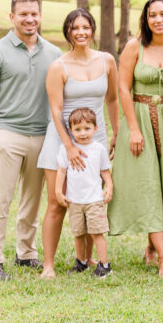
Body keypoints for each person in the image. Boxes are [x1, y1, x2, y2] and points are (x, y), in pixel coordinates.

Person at [0, 0, 62, 280]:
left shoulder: (53, 53)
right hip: (8, 135)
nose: (29, 19)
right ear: (11, 16)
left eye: (34, 14)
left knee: (32, 201)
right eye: (23, 14)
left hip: (42, 137)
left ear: (40, 16)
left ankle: (26, 254)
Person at [108, 0, 163, 278]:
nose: (158, 19)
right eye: (152, 15)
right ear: (145, 18)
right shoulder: (134, 47)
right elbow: (123, 89)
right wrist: (132, 128)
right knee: (147, 184)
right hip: (139, 118)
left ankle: (152, 247)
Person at [37, 8, 119, 279]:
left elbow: (112, 100)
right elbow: (56, 110)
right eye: (75, 28)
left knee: (90, 197)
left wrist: (115, 131)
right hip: (61, 141)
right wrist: (70, 147)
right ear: (68, 33)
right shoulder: (58, 66)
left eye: (86, 27)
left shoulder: (107, 60)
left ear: (92, 30)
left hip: (94, 140)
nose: (81, 32)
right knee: (58, 203)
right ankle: (48, 265)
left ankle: (85, 258)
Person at [54, 108, 113, 278]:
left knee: (96, 233)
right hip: (75, 201)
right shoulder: (66, 150)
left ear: (95, 128)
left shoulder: (99, 149)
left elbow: (105, 172)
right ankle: (81, 262)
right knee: (79, 234)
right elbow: (61, 171)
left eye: (87, 128)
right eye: (77, 129)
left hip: (94, 199)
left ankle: (104, 265)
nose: (83, 133)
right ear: (70, 131)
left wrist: (109, 187)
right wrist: (58, 191)